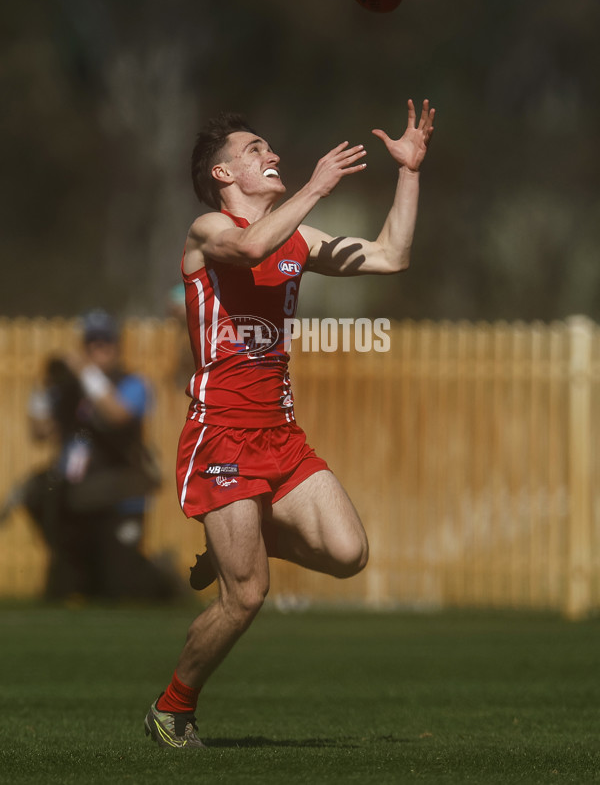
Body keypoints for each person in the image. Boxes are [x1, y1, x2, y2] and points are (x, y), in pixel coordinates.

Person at [144, 99, 435, 748]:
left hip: (279, 435)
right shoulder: (207, 230)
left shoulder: (297, 241)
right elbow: (249, 248)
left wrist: (409, 172)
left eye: (270, 149)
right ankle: (172, 708)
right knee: (245, 598)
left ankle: (237, 540)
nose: (270, 155)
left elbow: (391, 256)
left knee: (347, 553)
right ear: (222, 175)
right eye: (255, 151)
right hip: (219, 433)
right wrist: (317, 186)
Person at [3, 310, 175, 601]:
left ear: (116, 346)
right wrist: (44, 388)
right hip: (78, 497)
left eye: (104, 342)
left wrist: (86, 374)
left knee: (122, 590)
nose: (97, 349)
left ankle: (163, 578)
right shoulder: (71, 391)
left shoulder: (132, 384)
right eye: (91, 343)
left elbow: (117, 414)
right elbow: (40, 431)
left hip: (119, 494)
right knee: (63, 590)